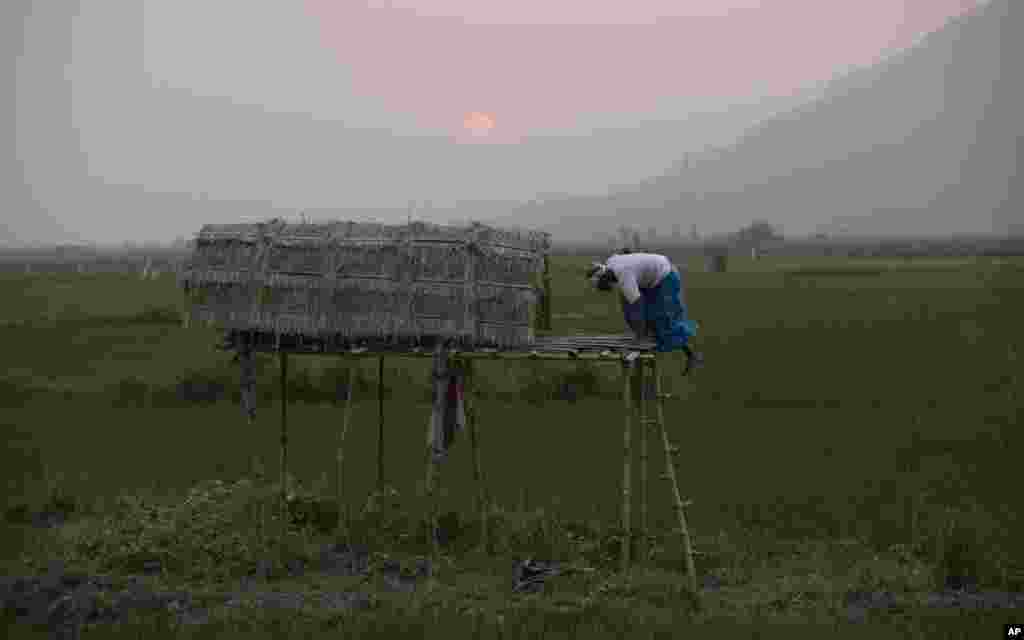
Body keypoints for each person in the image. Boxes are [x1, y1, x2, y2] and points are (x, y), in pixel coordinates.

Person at [586, 251, 703, 373]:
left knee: (662, 321)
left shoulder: (625, 278)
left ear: (604, 279)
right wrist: (637, 330)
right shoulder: (611, 263)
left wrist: (640, 336)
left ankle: (692, 355)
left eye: (602, 285)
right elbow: (628, 304)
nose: (607, 287)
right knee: (648, 320)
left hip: (665, 276)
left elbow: (637, 307)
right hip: (650, 278)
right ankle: (648, 343)